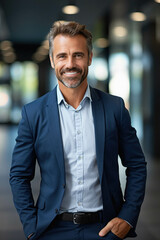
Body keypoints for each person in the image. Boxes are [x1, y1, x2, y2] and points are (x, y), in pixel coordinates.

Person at [10, 21, 147, 240]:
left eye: (78, 55)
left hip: (106, 229)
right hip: (51, 230)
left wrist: (128, 217)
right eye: (62, 56)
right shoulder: (33, 113)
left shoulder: (115, 108)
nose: (70, 63)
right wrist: (31, 228)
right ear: (52, 60)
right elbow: (18, 175)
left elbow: (137, 165)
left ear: (90, 58)